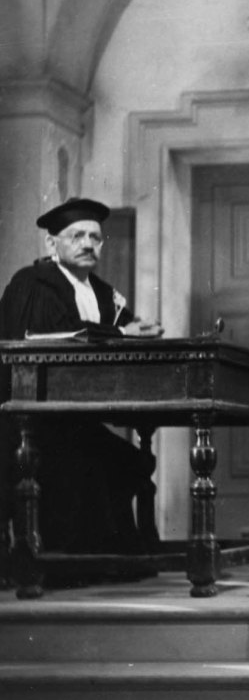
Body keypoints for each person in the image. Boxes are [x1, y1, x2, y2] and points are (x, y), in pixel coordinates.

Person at [0, 197, 162, 557]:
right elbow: (50, 334)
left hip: (73, 419)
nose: (88, 244)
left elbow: (124, 329)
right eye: (77, 236)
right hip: (30, 421)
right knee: (79, 463)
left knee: (128, 460)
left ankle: (114, 558)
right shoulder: (33, 284)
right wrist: (123, 334)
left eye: (95, 237)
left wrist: (143, 332)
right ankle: (63, 563)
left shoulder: (103, 293)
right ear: (52, 243)